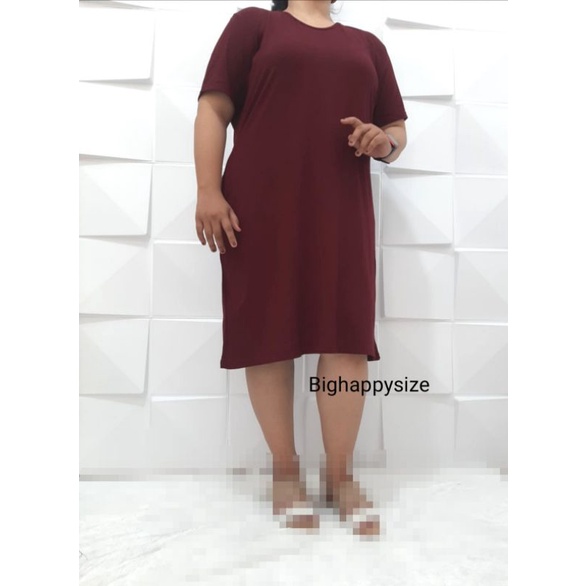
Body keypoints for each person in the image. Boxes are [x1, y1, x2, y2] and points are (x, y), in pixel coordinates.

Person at [194, 0, 408, 537]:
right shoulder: (254, 25)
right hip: (259, 205)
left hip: (341, 207)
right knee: (267, 335)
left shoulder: (367, 46)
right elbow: (213, 108)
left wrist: (383, 143)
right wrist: (208, 190)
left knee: (346, 339)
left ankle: (340, 477)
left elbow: (396, 131)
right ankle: (285, 473)